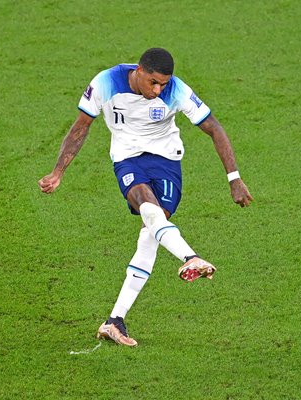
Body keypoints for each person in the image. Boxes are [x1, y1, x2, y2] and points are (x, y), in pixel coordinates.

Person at [38, 48, 253, 346]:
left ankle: (115, 321)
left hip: (166, 162)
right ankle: (190, 257)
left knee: (150, 234)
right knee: (146, 206)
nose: (158, 90)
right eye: (153, 82)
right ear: (138, 70)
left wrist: (234, 179)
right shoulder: (106, 83)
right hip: (127, 159)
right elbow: (80, 127)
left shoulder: (176, 91)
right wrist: (58, 171)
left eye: (163, 84)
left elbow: (214, 128)